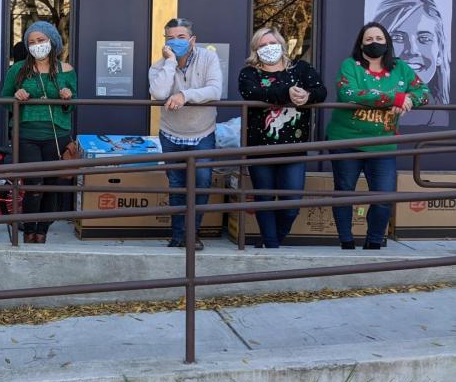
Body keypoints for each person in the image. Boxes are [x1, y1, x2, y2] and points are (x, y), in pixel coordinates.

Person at [326, 22, 429, 250]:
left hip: (383, 144)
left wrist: (410, 99)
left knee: (383, 197)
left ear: (387, 43)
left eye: (379, 39)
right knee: (344, 193)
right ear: (361, 43)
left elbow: (424, 92)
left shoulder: (401, 68)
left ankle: (374, 241)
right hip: (346, 141)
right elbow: (349, 94)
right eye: (369, 39)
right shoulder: (350, 66)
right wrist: (396, 98)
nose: (375, 43)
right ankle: (346, 241)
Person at [238, 27, 327, 248]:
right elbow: (253, 93)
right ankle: (271, 245)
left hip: (294, 148)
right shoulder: (249, 73)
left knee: (291, 203)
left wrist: (307, 95)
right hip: (259, 149)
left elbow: (321, 91)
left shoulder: (301, 69)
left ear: (281, 44)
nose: (268, 48)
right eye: (262, 45)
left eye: (272, 43)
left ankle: (273, 239)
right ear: (255, 50)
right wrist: (287, 94)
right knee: (264, 200)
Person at [148, 18, 222, 250]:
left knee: (201, 182)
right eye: (171, 38)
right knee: (177, 187)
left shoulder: (208, 58)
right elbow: (158, 93)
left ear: (193, 39)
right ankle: (178, 235)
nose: (176, 41)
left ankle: (192, 234)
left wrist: (185, 95)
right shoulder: (159, 66)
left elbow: (215, 90)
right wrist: (170, 62)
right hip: (171, 134)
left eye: (181, 37)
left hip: (202, 133)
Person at [0, 21, 76, 244]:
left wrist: (67, 97)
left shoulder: (67, 70)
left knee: (51, 185)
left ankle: (42, 232)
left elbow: (73, 105)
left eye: (41, 41)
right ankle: (28, 229)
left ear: (52, 41)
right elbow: (4, 100)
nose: (36, 46)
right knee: (34, 184)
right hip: (26, 134)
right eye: (31, 42)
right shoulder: (18, 69)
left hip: (56, 133)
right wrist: (17, 96)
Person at [373, 0, 449, 126]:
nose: (412, 50)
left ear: (439, 53)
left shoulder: (440, 115)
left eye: (424, 38)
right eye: (397, 38)